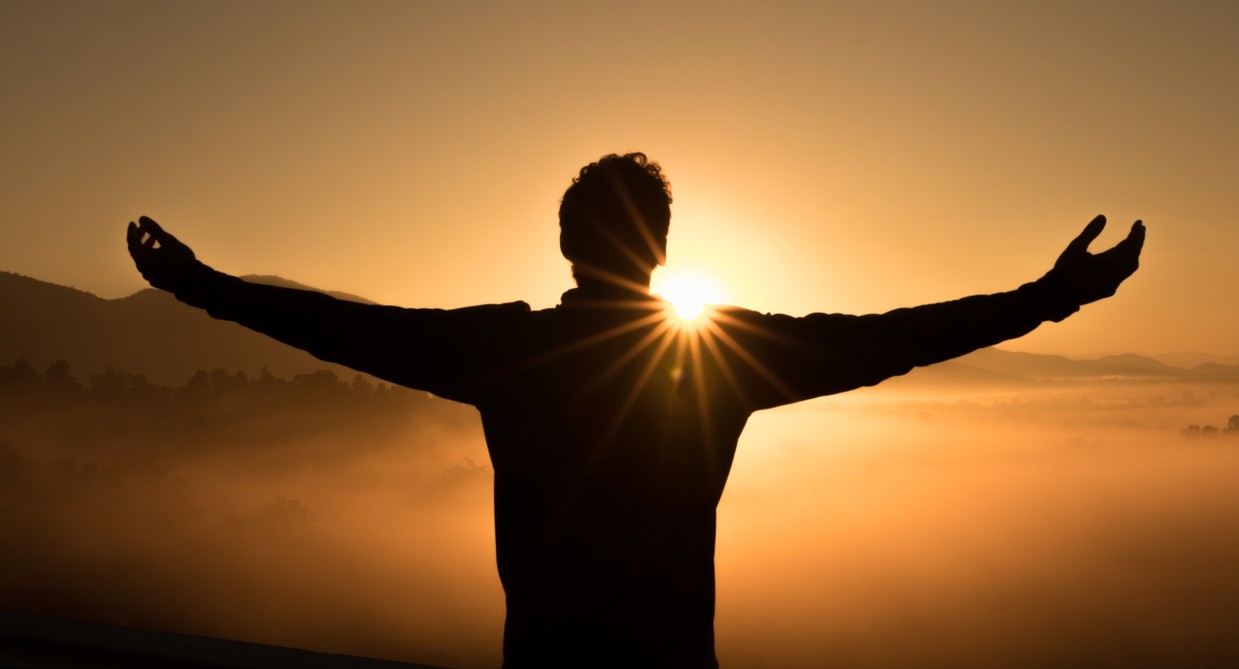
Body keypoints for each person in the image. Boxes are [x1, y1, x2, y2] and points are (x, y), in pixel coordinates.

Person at [126, 152, 1144, 668]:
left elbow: (347, 330)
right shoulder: (721, 358)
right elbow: (888, 337)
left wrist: (200, 285)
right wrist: (1048, 298)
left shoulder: (509, 351)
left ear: (567, 244)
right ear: (659, 249)